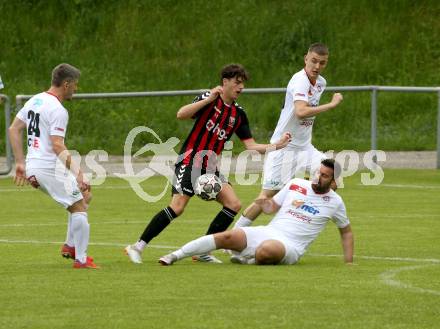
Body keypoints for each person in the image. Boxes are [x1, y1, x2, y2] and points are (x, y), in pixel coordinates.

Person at [125, 64, 291, 264]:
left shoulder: (239, 114)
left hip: (210, 168)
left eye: (243, 84)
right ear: (225, 82)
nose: (241, 88)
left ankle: (203, 251)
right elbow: (181, 114)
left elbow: (251, 146)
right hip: (189, 161)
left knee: (233, 204)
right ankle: (138, 246)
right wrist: (208, 99)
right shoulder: (208, 99)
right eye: (237, 83)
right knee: (177, 207)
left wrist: (277, 146)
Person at [159, 159, 354, 266]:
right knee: (227, 236)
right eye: (318, 172)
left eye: (324, 175)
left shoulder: (336, 202)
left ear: (334, 182)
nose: (318, 177)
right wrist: (263, 204)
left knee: (268, 250)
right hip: (268, 231)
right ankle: (174, 256)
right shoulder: (297, 184)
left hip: (290, 246)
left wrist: (348, 262)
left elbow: (346, 231)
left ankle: (248, 260)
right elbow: (272, 208)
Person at [233, 43, 344, 231]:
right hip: (283, 148)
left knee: (333, 178)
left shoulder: (321, 83)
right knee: (265, 198)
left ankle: (301, 214)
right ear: (306, 59)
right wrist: (331, 105)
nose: (317, 66)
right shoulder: (299, 80)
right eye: (314, 61)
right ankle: (234, 235)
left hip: (305, 148)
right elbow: (301, 112)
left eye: (322, 63)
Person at [8, 63, 98, 269]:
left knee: (84, 196)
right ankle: (81, 260)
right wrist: (79, 173)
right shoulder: (58, 109)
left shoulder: (35, 100)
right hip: (46, 167)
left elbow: (14, 129)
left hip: (34, 166)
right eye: (75, 85)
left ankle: (70, 246)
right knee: (79, 207)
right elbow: (57, 145)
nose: (76, 89)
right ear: (66, 84)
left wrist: (21, 162)